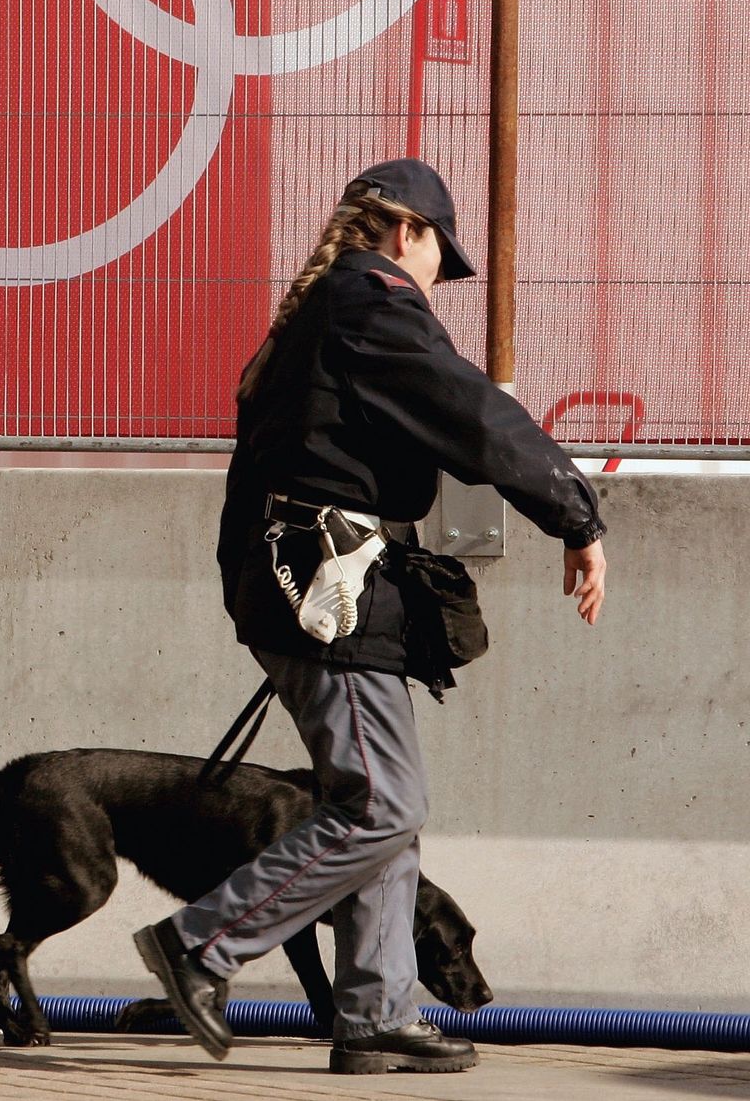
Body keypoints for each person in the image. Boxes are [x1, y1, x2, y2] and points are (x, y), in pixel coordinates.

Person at [133, 158, 607, 1076]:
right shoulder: (371, 302)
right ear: (404, 232)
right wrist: (576, 513)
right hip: (329, 594)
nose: (440, 280)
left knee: (383, 808)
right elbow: (472, 413)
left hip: (318, 583)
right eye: (441, 254)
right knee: (383, 801)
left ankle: (373, 1012)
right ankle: (202, 943)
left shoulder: (322, 312)